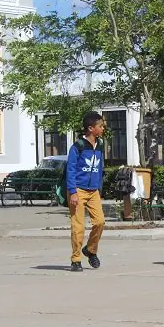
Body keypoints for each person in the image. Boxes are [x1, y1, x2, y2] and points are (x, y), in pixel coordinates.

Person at [67, 111, 106, 272]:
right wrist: (72, 191)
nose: (103, 128)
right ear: (91, 128)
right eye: (100, 126)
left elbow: (101, 166)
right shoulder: (78, 147)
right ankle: (76, 259)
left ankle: (90, 250)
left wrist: (100, 187)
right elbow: (70, 169)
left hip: (93, 191)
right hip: (78, 190)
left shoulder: (101, 144)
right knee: (78, 227)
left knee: (100, 222)